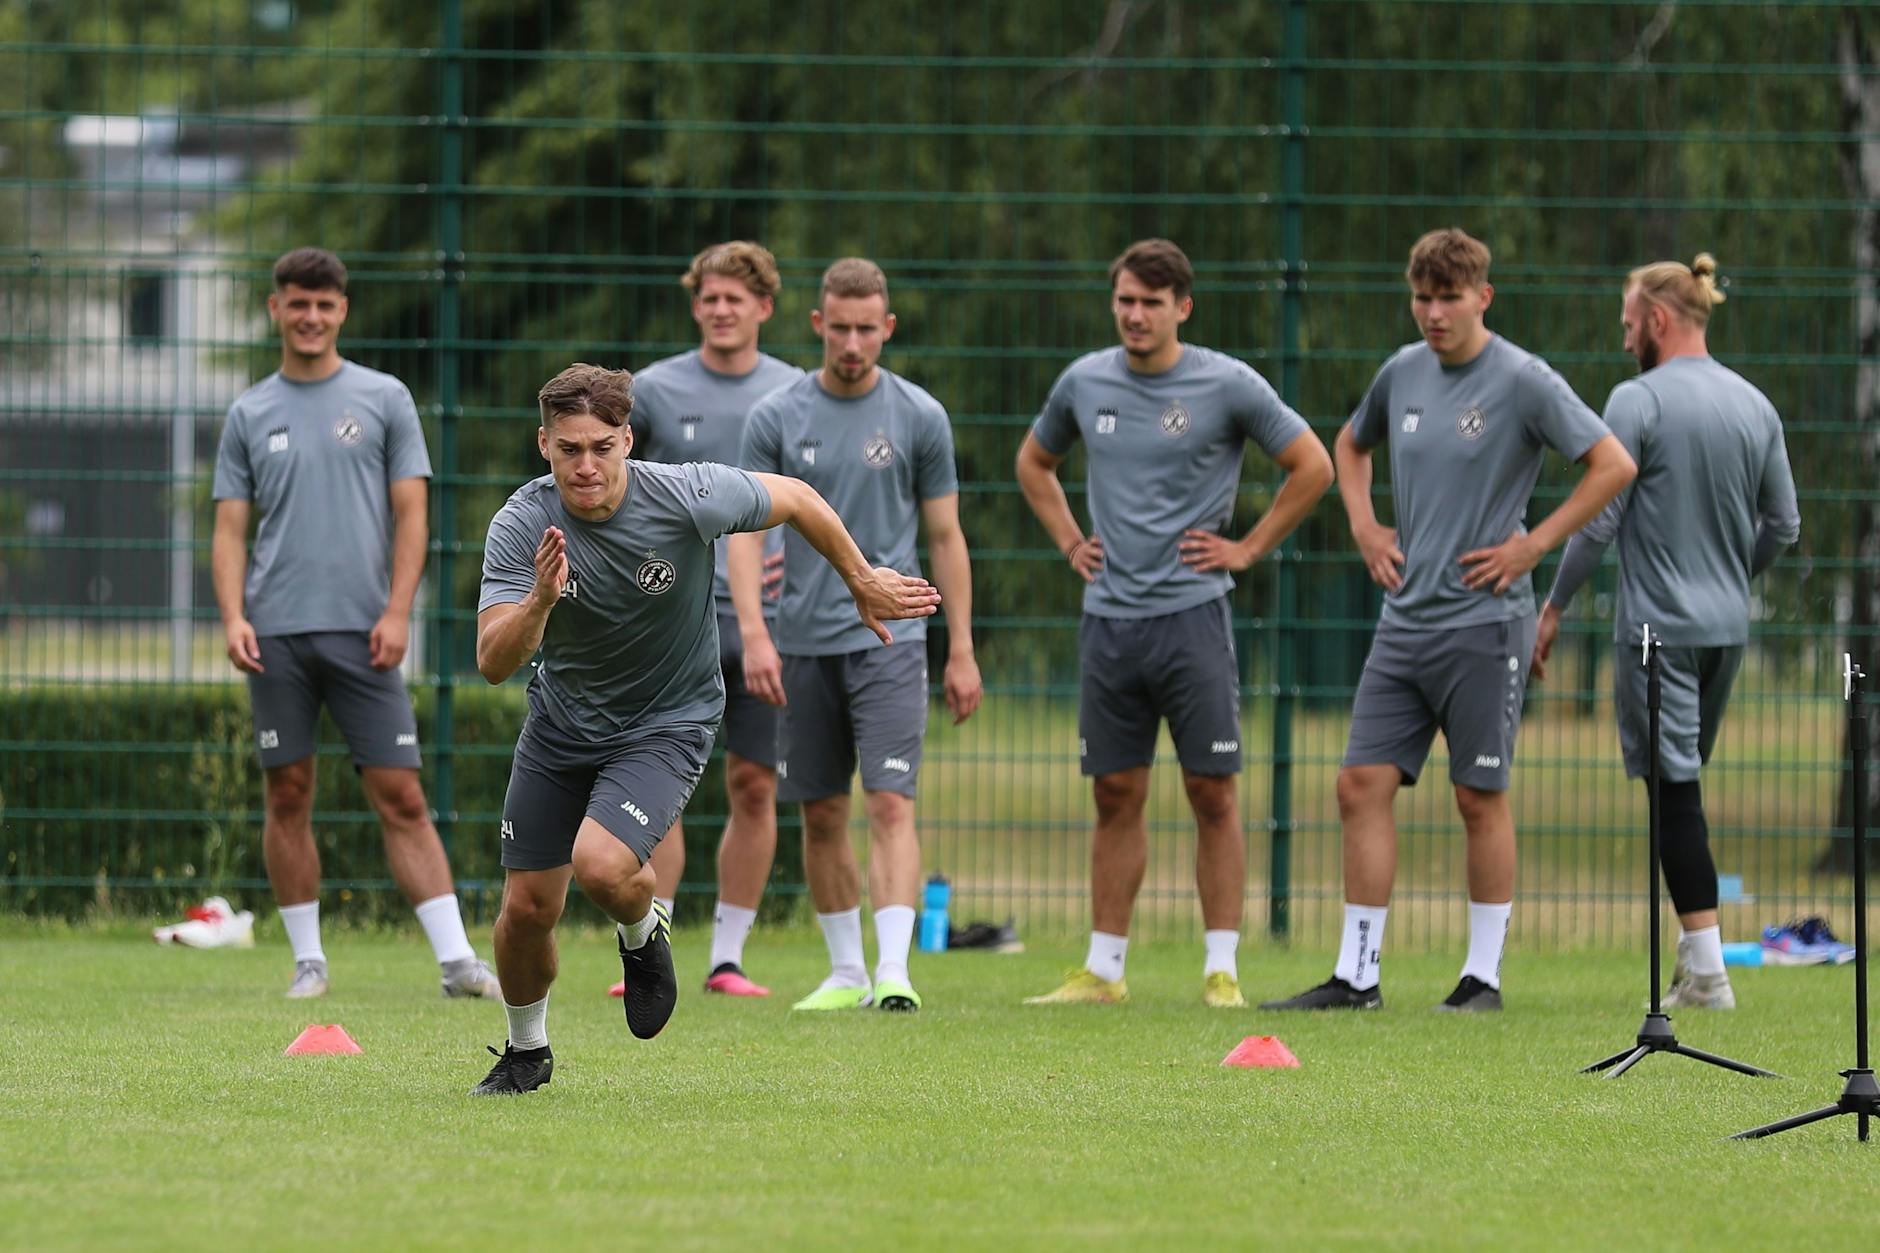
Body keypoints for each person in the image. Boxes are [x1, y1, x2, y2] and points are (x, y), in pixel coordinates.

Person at [471, 364, 938, 1094]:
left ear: (627, 439)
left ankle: (640, 926)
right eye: (569, 449)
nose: (586, 464)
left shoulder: (685, 493)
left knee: (599, 864)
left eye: (601, 445)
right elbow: (494, 661)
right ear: (544, 445)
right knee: (527, 907)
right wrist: (538, 603)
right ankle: (526, 1051)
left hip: (668, 717)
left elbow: (799, 497)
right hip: (561, 723)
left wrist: (860, 578)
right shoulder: (522, 523)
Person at [1262, 227, 1636, 1014]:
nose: (1433, 313)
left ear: (1483, 298)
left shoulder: (1526, 381)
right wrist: (1364, 524)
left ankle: (1482, 978)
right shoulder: (1401, 371)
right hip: (1405, 621)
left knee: (1477, 796)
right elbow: (1350, 444)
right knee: (1359, 782)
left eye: (1449, 298)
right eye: (1422, 298)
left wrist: (1532, 544)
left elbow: (1613, 464)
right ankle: (1357, 976)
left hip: (1486, 623)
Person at [1014, 239, 1332, 1008]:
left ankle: (1221, 970)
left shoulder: (1227, 383)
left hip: (1194, 619)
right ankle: (1105, 970)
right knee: (1115, 793)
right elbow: (1033, 462)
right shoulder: (1084, 381)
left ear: (1181, 308)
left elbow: (1313, 464)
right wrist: (1068, 540)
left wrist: (1248, 546)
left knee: (1213, 793)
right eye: (1125, 300)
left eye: (1151, 303)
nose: (1135, 315)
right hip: (1109, 624)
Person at [211, 246, 498, 1001]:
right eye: (297, 303)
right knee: (288, 792)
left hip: (367, 633)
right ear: (276, 308)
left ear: (343, 311)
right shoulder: (249, 412)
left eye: (324, 304)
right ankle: (309, 961)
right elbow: (231, 530)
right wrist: (234, 614)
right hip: (274, 633)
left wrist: (399, 610)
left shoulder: (384, 399)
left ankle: (456, 961)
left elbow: (413, 513)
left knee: (401, 794)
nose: (310, 317)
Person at [1534, 254, 1800, 1010]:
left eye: (1627, 325)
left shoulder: (1636, 400)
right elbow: (1784, 524)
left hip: (1658, 634)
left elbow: (1597, 519)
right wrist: (1729, 577)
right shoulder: (1755, 404)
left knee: (1672, 789)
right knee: (1680, 783)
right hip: (1725, 629)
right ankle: (1697, 959)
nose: (1624, 341)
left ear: (1656, 319)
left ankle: (1710, 973)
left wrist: (1552, 605)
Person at [731, 256, 982, 1014]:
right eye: (838, 327)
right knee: (819, 809)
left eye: (866, 329)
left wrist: (960, 648)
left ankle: (895, 971)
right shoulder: (774, 416)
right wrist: (756, 633)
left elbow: (945, 535)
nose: (851, 342)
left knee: (892, 801)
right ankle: (846, 971)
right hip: (801, 641)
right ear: (817, 324)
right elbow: (744, 534)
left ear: (888, 328)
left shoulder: (920, 416)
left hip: (892, 644)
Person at [623, 241, 804, 998]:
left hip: (769, 626)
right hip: (668, 624)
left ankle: (726, 958)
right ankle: (652, 940)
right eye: (710, 298)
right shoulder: (654, 390)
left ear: (765, 306)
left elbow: (818, 502)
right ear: (696, 305)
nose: (722, 310)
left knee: (755, 786)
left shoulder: (800, 391)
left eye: (737, 298)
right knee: (661, 788)